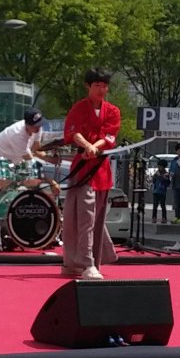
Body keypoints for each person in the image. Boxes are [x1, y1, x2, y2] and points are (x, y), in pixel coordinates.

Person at [60, 68, 121, 280]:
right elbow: (73, 132)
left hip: (101, 168)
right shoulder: (79, 107)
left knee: (96, 219)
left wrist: (95, 147)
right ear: (88, 86)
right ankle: (85, 263)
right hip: (82, 168)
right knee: (83, 217)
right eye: (97, 85)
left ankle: (90, 261)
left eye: (104, 86)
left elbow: (110, 135)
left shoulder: (112, 111)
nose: (101, 89)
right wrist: (87, 146)